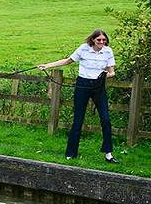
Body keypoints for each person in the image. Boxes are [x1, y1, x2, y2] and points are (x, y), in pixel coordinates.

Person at [38, 29, 117, 163]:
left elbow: (112, 72)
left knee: (106, 119)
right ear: (93, 39)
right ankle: (71, 153)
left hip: (98, 86)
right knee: (78, 120)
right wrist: (47, 65)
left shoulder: (108, 51)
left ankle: (108, 154)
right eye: (99, 40)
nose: (102, 42)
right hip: (83, 85)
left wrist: (105, 75)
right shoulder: (83, 49)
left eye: (104, 40)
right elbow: (68, 61)